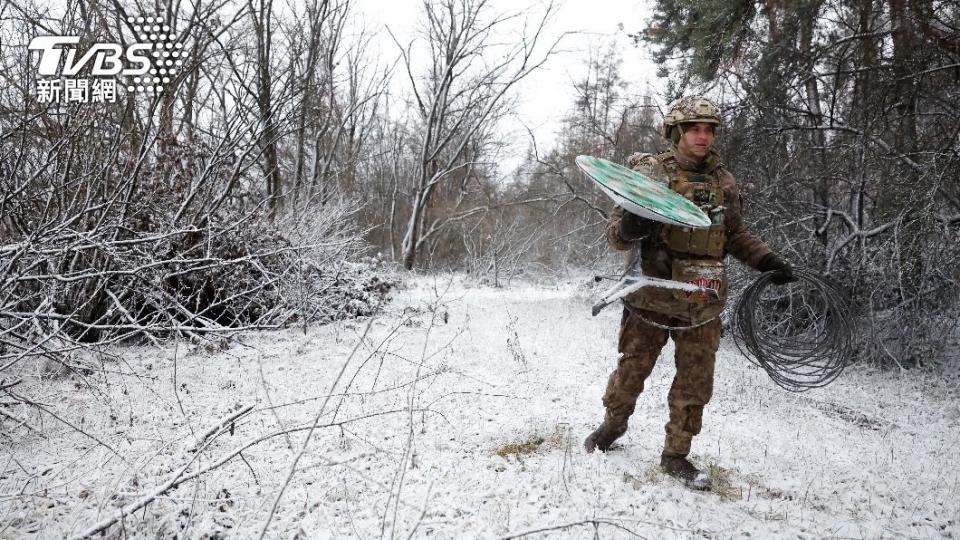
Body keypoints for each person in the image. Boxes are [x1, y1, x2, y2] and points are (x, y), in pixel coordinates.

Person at [583, 96, 795, 490]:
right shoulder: (648, 173)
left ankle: (676, 455)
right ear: (677, 133)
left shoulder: (723, 182)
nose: (703, 136)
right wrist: (633, 221)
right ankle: (611, 428)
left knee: (695, 382)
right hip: (651, 296)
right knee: (632, 371)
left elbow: (733, 234)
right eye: (695, 129)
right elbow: (617, 238)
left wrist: (767, 261)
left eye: (709, 129)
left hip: (702, 300)